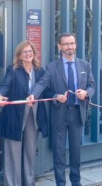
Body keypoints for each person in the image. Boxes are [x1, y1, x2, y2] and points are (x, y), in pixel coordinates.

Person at [28, 33, 95, 186]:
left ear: (76, 45)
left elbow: (92, 86)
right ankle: (60, 183)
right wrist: (35, 95)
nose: (69, 47)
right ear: (59, 47)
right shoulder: (51, 67)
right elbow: (43, 87)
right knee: (58, 153)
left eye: (72, 43)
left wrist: (86, 94)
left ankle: (76, 182)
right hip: (59, 114)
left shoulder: (85, 65)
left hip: (77, 114)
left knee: (75, 152)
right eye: (65, 44)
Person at [0, 40, 50, 186]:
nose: (28, 54)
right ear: (19, 56)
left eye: (30, 51)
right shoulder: (12, 70)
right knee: (13, 153)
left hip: (34, 116)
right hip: (15, 117)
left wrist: (57, 96)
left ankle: (28, 182)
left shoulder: (39, 70)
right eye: (25, 52)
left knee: (30, 152)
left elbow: (46, 90)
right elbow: (5, 86)